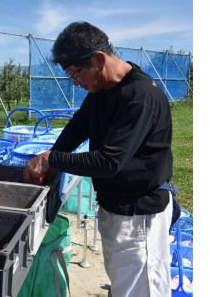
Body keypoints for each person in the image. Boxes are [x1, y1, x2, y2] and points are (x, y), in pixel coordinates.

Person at [23, 22, 174, 297]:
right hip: (114, 205)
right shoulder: (102, 91)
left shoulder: (140, 96)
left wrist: (52, 158)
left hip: (139, 213)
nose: (76, 83)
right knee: (122, 285)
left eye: (75, 74)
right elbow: (79, 126)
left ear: (99, 59)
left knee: (141, 289)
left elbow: (109, 162)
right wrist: (52, 161)